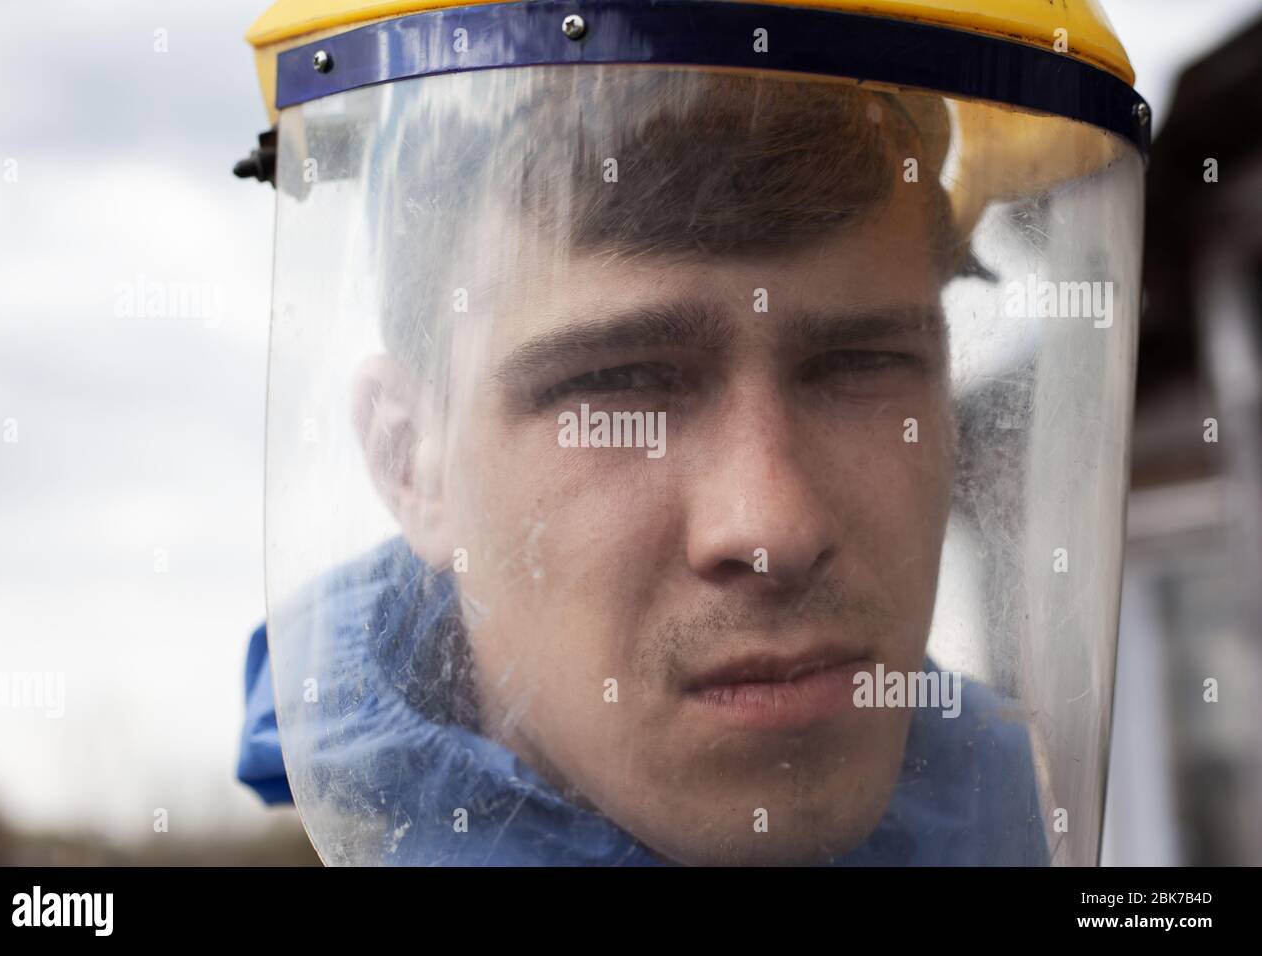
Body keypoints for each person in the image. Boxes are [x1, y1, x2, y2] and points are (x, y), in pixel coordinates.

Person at [240, 66, 1050, 866]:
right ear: (410, 465)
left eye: (861, 363)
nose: (774, 528)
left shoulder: (1039, 817)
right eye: (618, 381)